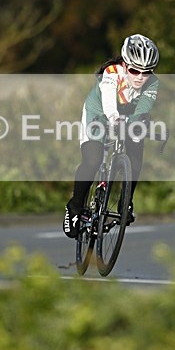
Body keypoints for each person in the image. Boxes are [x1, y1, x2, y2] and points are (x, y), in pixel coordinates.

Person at [63, 34, 160, 238]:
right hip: (98, 112)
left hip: (127, 114)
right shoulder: (112, 73)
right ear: (125, 64)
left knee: (136, 145)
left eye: (146, 72)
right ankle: (74, 207)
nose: (140, 77)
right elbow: (108, 101)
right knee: (93, 159)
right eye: (134, 70)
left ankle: (126, 201)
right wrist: (114, 119)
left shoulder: (152, 83)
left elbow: (142, 109)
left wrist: (137, 125)